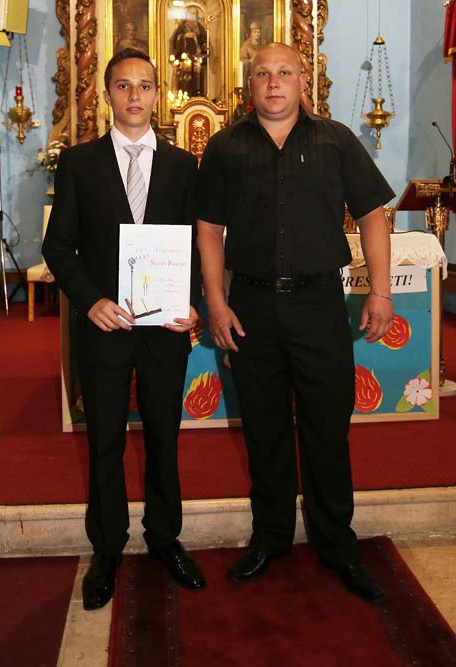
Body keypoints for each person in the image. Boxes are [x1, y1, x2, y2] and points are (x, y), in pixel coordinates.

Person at [197, 43, 394, 602]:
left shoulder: (336, 140)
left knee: (326, 428)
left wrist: (380, 291)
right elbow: (208, 229)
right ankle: (271, 537)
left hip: (318, 305)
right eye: (263, 73)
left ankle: (337, 544)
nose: (273, 82)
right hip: (252, 307)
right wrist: (216, 301)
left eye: (284, 72)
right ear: (250, 84)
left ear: (303, 80)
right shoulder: (225, 146)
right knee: (264, 428)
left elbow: (372, 215)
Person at [43, 48, 206, 611]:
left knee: (164, 435)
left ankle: (165, 538)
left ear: (158, 94)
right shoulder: (79, 163)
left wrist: (193, 302)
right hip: (105, 327)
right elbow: (58, 247)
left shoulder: (184, 166)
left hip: (164, 329)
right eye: (123, 85)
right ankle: (107, 548)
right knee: (105, 439)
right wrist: (90, 302)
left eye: (145, 85)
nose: (135, 95)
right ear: (108, 94)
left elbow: (199, 244)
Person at [170, 5, 208, 96]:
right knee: (184, 82)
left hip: (196, 60)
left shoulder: (200, 28)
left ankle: (197, 96)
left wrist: (204, 47)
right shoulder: (181, 27)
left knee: (197, 81)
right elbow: (175, 41)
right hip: (184, 61)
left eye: (194, 13)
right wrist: (184, 36)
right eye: (190, 13)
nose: (192, 15)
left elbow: (204, 42)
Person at [239, 20, 265, 88]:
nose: (257, 34)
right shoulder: (246, 45)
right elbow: (242, 61)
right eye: (255, 32)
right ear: (251, 33)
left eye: (259, 32)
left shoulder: (264, 44)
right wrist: (250, 61)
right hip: (250, 74)